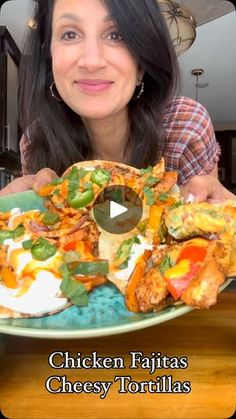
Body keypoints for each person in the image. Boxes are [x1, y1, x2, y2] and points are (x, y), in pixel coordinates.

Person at [0, 0, 235, 203]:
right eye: (70, 34)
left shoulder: (184, 128)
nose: (92, 61)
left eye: (116, 35)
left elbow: (207, 238)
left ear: (141, 64)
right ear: (49, 58)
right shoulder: (36, 141)